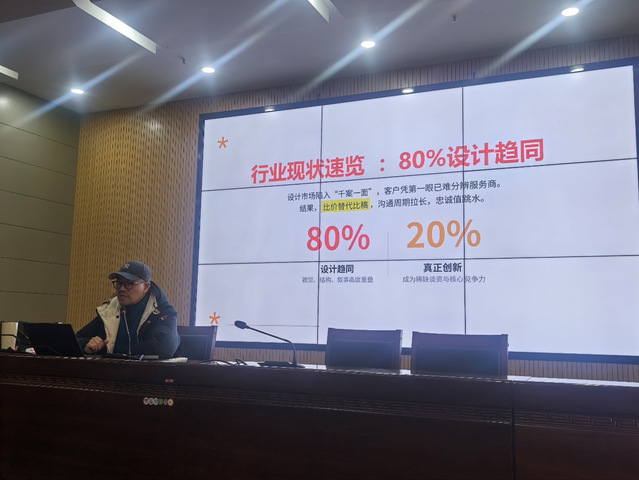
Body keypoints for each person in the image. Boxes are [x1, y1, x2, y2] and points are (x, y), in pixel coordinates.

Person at [76, 261, 180, 359]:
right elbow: (76, 339)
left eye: (129, 283)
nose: (121, 288)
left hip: (149, 370)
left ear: (146, 287)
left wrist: (124, 354)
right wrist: (87, 345)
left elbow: (164, 347)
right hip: (111, 369)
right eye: (119, 283)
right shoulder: (110, 310)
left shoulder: (164, 312)